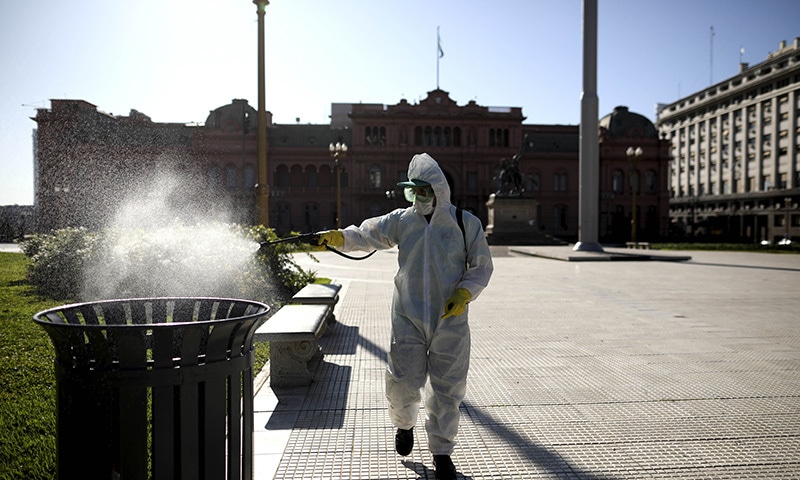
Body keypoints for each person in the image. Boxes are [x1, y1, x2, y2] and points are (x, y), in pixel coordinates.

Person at [314, 153, 493, 480]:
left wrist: (464, 293)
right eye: (412, 192)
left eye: (421, 192)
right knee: (402, 383)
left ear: (438, 191)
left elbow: (481, 266)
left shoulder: (466, 223)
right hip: (408, 316)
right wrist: (340, 237)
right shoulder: (403, 220)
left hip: (449, 320)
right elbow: (367, 234)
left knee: (447, 390)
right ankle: (404, 425)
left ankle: (441, 453)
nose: (416, 198)